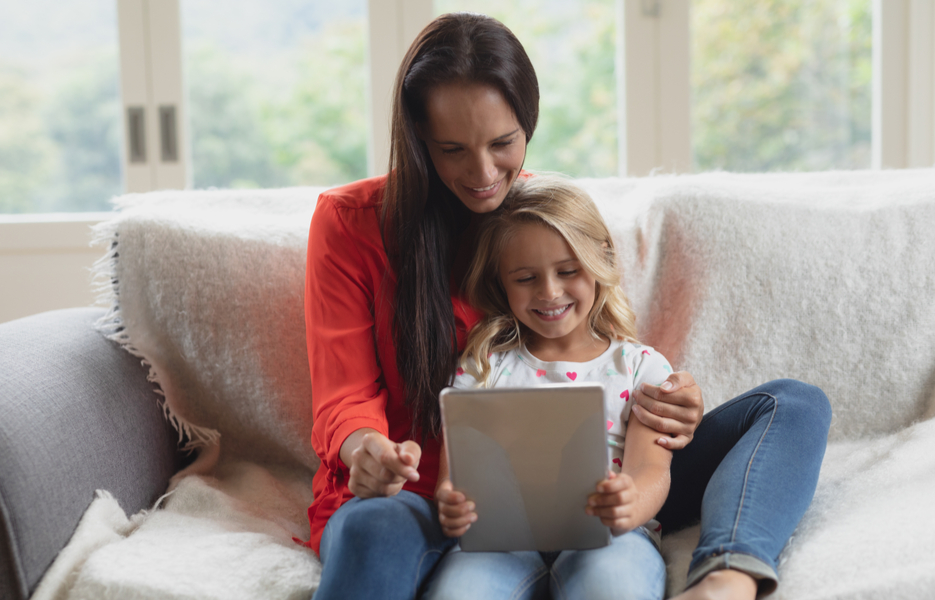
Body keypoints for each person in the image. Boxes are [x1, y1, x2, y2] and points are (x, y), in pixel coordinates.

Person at [303, 12, 831, 600]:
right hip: (441, 497)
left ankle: (728, 576)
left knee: (793, 405)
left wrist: (677, 406)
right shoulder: (352, 224)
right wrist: (366, 450)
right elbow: (344, 397)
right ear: (418, 140)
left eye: (503, 143)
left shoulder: (531, 213)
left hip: (605, 486)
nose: (483, 174)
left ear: (528, 123)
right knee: (373, 526)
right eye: (452, 149)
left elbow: (607, 355)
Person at [427, 174, 673, 600]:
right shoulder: (483, 367)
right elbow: (453, 478)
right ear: (500, 281)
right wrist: (450, 502)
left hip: (610, 536)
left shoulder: (640, 368)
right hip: (502, 542)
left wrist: (630, 503)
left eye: (568, 271)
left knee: (612, 587)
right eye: (525, 278)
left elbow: (651, 469)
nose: (550, 292)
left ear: (600, 261)